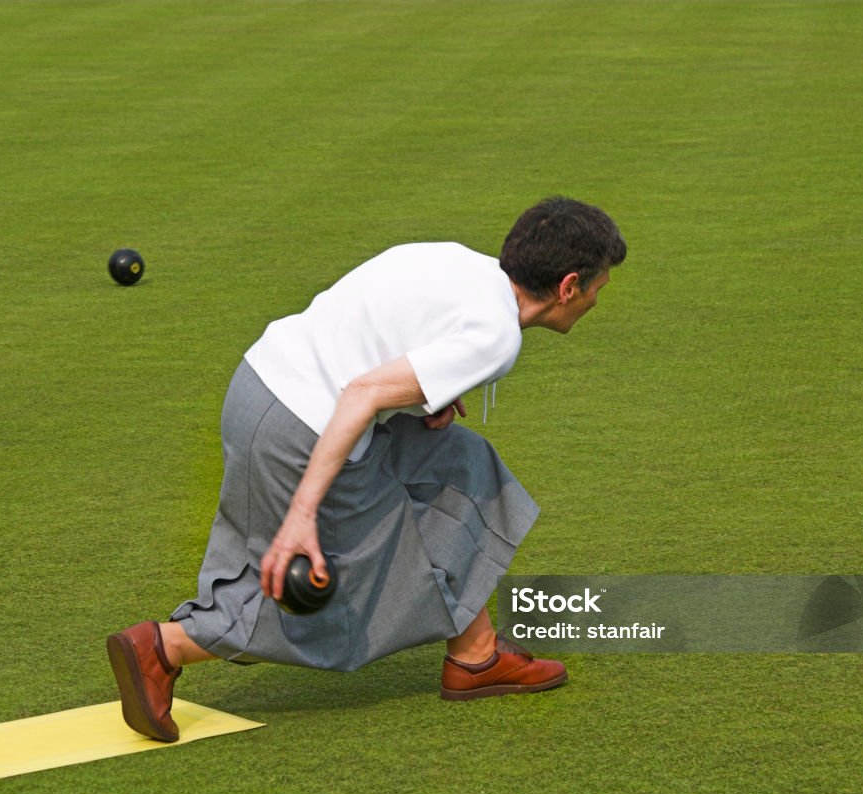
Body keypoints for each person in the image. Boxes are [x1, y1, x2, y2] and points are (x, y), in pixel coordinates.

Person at [106, 196, 627, 742]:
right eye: (598, 287)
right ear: (569, 286)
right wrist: (304, 513)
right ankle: (164, 647)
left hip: (258, 385)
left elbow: (374, 329)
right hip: (303, 427)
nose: (597, 299)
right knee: (341, 597)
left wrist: (427, 396)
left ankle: (476, 656)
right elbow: (361, 392)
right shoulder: (497, 336)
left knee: (460, 464)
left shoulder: (458, 261)